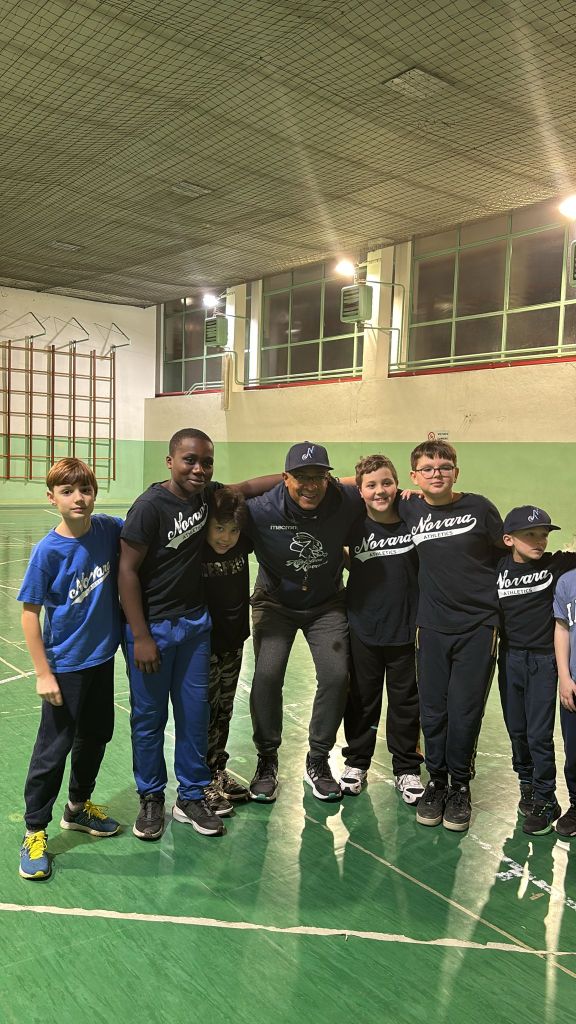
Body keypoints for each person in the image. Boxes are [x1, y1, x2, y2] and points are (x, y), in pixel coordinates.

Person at [119, 428, 277, 841]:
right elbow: (127, 571)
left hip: (194, 626)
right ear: (170, 461)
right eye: (190, 460)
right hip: (152, 627)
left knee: (195, 715)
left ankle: (190, 796)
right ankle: (151, 797)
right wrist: (140, 635)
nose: (199, 469)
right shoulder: (150, 507)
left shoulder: (207, 496)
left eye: (206, 462)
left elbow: (250, 487)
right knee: (149, 719)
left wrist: (304, 479)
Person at [17, 458, 122, 880]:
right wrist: (43, 672)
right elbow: (29, 614)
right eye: (67, 491)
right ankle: (34, 830)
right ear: (52, 498)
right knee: (53, 749)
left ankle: (77, 807)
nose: (78, 498)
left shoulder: (107, 529)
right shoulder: (48, 551)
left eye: (86, 490)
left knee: (97, 735)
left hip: (102, 659)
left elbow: (144, 531)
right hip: (65, 666)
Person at [245, 441, 364, 803]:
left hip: (326, 603)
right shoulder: (260, 509)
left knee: (336, 676)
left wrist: (410, 495)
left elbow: (372, 488)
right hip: (275, 603)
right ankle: (267, 759)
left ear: (328, 479)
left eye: (318, 477)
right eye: (301, 477)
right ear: (285, 478)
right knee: (267, 676)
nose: (310, 485)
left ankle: (318, 759)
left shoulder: (345, 501)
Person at [399, 440, 503, 831]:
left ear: (456, 472)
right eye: (427, 468)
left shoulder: (480, 508)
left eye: (444, 466)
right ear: (414, 476)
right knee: (433, 710)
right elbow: (365, 486)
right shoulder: (409, 507)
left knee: (464, 710)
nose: (437, 473)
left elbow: (505, 554)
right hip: (431, 626)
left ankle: (460, 784)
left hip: (478, 626)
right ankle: (437, 781)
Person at [339, 454, 424, 803]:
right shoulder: (352, 526)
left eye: (387, 483)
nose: (380, 491)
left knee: (406, 702)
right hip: (364, 626)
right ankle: (356, 762)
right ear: (360, 490)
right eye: (371, 485)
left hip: (407, 628)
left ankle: (406, 768)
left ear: (398, 485)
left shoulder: (413, 521)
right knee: (361, 698)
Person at [497, 506, 576, 835]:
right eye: (530, 535)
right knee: (517, 730)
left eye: (543, 535)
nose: (539, 541)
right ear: (508, 539)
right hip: (509, 657)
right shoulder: (497, 568)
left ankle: (546, 798)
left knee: (539, 734)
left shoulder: (557, 564)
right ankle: (527, 785)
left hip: (544, 661)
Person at [202, 487, 252, 815]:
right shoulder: (195, 549)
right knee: (204, 713)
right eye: (219, 528)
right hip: (204, 646)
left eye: (233, 530)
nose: (226, 538)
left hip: (234, 642)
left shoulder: (243, 543)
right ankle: (200, 778)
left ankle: (218, 769)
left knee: (224, 710)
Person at [553, 565, 576, 837]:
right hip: (574, 684)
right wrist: (564, 676)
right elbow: (561, 628)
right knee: (574, 753)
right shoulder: (567, 582)